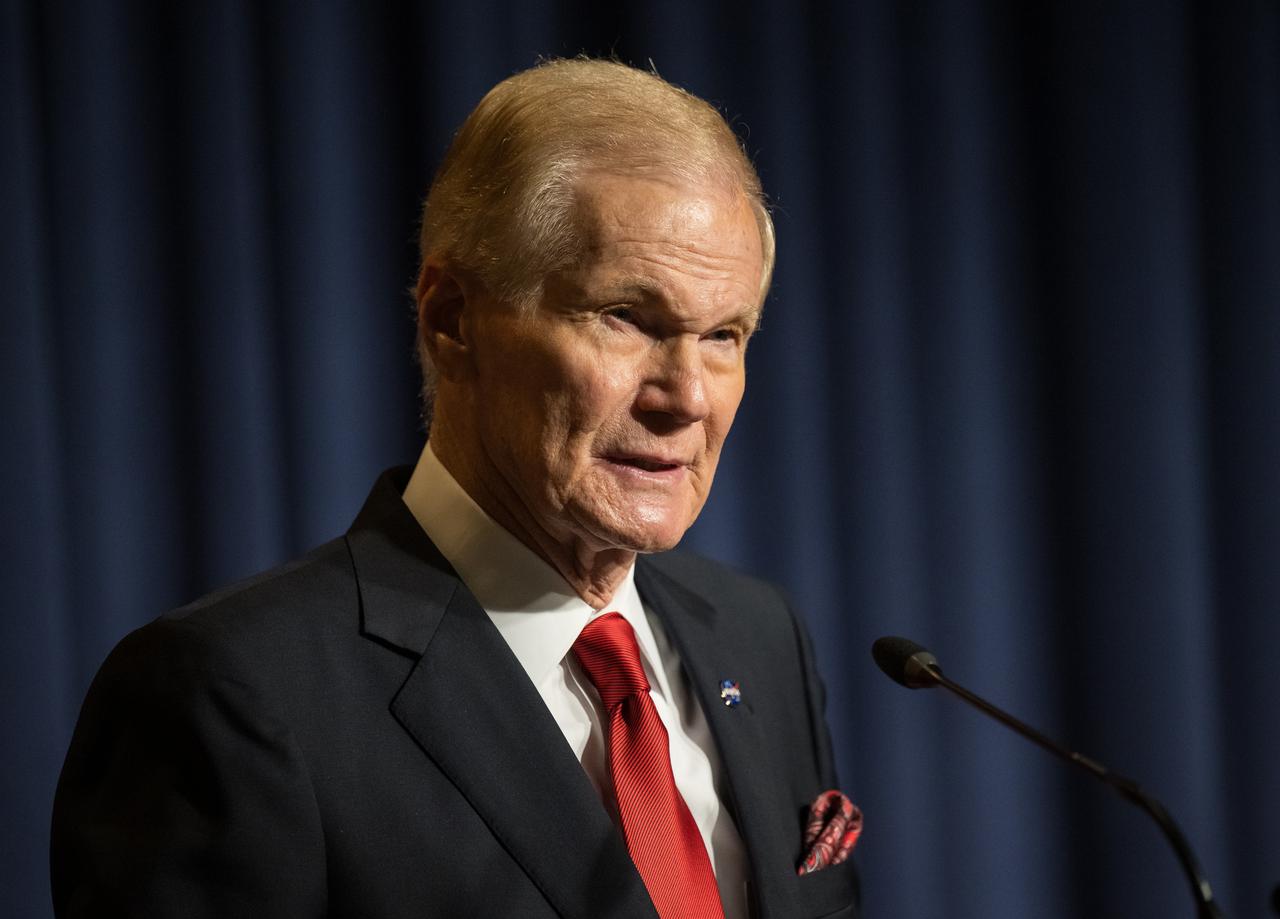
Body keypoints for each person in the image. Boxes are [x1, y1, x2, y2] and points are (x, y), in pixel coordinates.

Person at [51, 58, 861, 919]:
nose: (688, 397)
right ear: (451, 320)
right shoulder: (232, 696)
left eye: (723, 334)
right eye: (625, 317)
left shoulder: (758, 634)